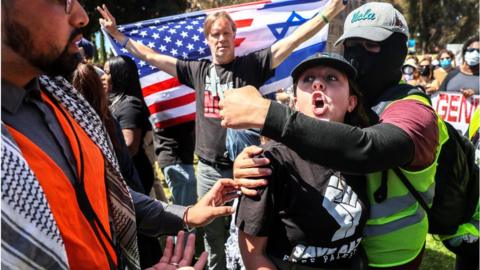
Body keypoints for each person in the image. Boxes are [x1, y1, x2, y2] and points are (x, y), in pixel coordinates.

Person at [1, 0, 264, 269]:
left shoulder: (63, 101)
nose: (81, 17)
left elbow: (106, 194)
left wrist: (186, 213)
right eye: (61, 2)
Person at [98, 1, 347, 268]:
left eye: (226, 33)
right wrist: (118, 36)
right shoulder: (198, 70)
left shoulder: (252, 65)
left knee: (250, 234)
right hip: (209, 170)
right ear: (207, 39)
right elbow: (152, 57)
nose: (221, 39)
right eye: (215, 34)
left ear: (234, 36)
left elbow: (293, 40)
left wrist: (326, 14)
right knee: (213, 236)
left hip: (250, 170)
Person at [220, 2, 446, 269]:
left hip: (394, 258)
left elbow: (366, 149)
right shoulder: (350, 115)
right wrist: (251, 164)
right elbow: (254, 251)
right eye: (350, 46)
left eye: (371, 44)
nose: (357, 55)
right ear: (294, 99)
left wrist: (266, 115)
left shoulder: (412, 109)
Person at [236, 52, 370, 269]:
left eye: (331, 78)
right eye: (308, 79)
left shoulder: (367, 151)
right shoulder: (268, 161)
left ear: (351, 102)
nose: (318, 84)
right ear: (296, 102)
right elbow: (253, 255)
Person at [103, 55, 155, 194]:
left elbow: (130, 146)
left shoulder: (129, 105)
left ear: (119, 75)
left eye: (107, 73)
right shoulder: (115, 102)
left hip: (134, 177)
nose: (103, 77)